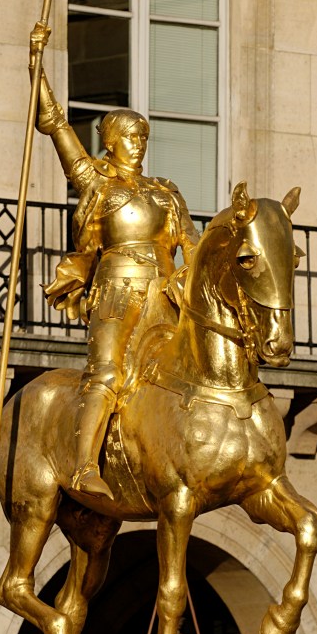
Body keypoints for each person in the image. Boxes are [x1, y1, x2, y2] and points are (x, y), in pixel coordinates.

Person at [37, 68, 199, 499]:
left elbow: (191, 243)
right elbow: (56, 127)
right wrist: (37, 68)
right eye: (129, 136)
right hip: (116, 291)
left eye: (142, 136)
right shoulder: (97, 183)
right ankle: (83, 466)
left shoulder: (165, 191)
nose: (138, 143)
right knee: (107, 373)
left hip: (164, 294)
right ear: (110, 141)